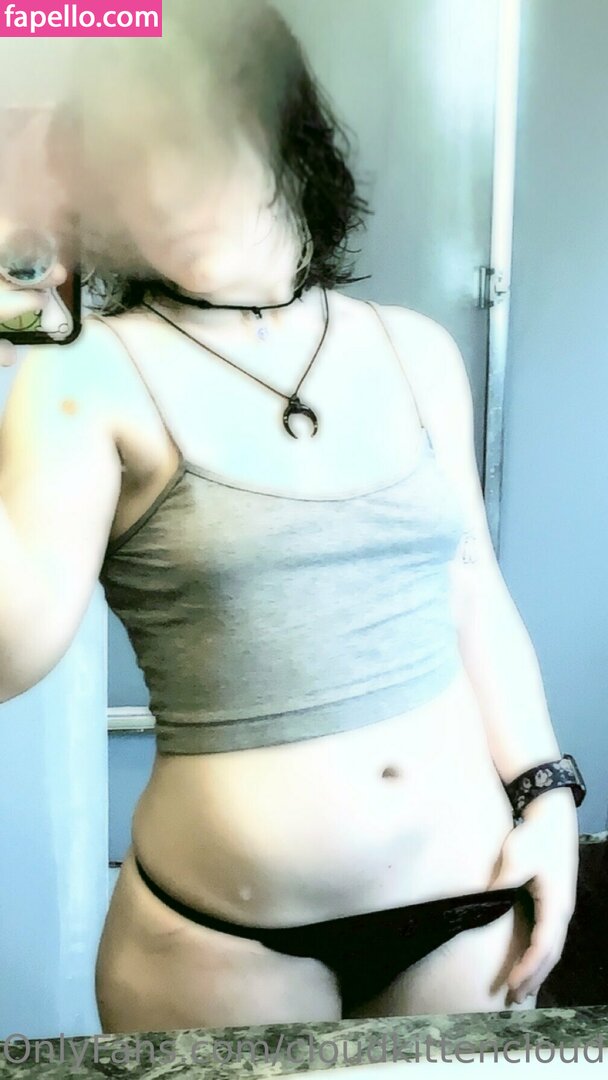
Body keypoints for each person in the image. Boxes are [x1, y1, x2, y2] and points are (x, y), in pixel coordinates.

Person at [0, 0, 581, 1032]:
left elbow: (471, 590)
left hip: (471, 908)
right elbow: (14, 645)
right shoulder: (84, 369)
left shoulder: (413, 351)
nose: (158, 186)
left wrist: (546, 797)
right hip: (218, 946)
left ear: (279, 125)